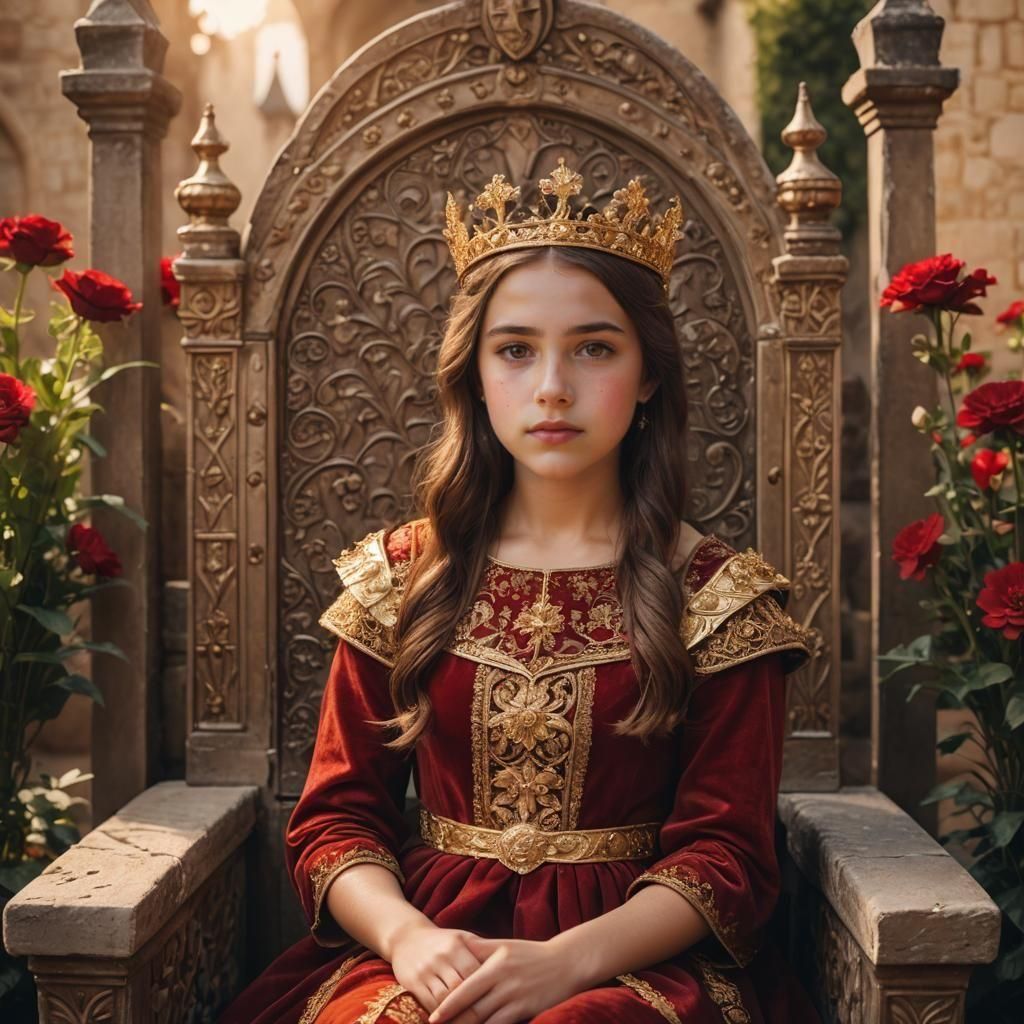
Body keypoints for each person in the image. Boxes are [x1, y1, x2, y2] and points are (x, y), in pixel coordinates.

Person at [219, 159, 820, 1024]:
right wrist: (407, 940)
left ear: (649, 374)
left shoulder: (717, 600)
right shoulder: (404, 579)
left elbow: (727, 855)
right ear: (474, 372)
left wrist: (566, 965)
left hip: (632, 962)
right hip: (424, 945)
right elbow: (336, 820)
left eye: (594, 348)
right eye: (515, 350)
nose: (551, 387)